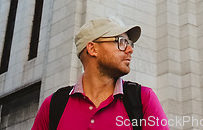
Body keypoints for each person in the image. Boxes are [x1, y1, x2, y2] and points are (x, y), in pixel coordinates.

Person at [31, 17, 170, 129]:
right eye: (121, 42)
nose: (129, 49)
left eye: (130, 43)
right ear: (92, 49)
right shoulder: (53, 105)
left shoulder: (143, 99)